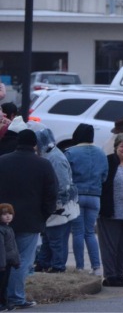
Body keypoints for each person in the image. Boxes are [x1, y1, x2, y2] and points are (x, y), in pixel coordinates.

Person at [0, 129, 57, 310]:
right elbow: (51, 193)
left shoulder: (3, 161)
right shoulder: (43, 164)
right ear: (35, 145)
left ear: (18, 142)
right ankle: (15, 297)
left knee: (3, 259)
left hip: (3, 217)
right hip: (31, 219)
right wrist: (44, 214)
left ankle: (4, 298)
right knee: (22, 260)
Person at [33, 128, 79, 274]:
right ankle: (44, 262)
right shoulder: (50, 155)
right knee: (47, 237)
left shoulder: (55, 158)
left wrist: (55, 204)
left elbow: (62, 184)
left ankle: (58, 266)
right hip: (53, 205)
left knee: (56, 239)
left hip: (59, 206)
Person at [65, 123, 108, 276]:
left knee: (77, 232)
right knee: (90, 232)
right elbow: (104, 177)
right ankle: (96, 267)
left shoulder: (70, 152)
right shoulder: (101, 153)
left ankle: (80, 267)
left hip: (76, 196)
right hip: (94, 196)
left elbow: (66, 176)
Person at [98, 132, 123, 287]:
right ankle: (110, 276)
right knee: (110, 246)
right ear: (116, 148)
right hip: (110, 212)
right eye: (122, 146)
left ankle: (120, 274)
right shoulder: (108, 162)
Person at [0, 203, 21, 312]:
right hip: (2, 264)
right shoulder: (1, 230)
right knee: (1, 284)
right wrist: (2, 264)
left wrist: (16, 261)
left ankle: (4, 303)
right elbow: (1, 249)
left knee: (5, 284)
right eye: (4, 214)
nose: (8, 216)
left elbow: (13, 247)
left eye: (10, 213)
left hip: (7, 262)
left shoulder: (8, 228)